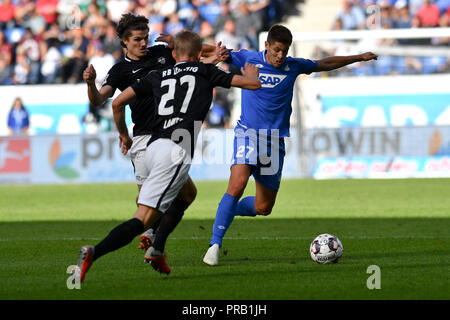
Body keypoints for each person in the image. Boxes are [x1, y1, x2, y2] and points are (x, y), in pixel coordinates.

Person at [72, 30, 260, 282]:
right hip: (175, 151)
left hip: (152, 146)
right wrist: (251, 75)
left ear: (173, 54)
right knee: (144, 220)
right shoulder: (205, 71)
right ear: (196, 55)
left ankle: (157, 249)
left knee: (187, 194)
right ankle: (95, 252)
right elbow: (252, 84)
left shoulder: (157, 75)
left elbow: (117, 103)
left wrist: (124, 135)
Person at [203, 24, 378, 266]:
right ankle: (214, 244)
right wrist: (179, 48)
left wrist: (358, 57)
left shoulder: (293, 66)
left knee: (264, 207)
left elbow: (324, 63)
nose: (280, 56)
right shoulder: (248, 58)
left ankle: (228, 209)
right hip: (248, 133)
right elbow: (214, 50)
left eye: (284, 51)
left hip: (275, 142)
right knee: (238, 183)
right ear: (266, 46)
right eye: (276, 50)